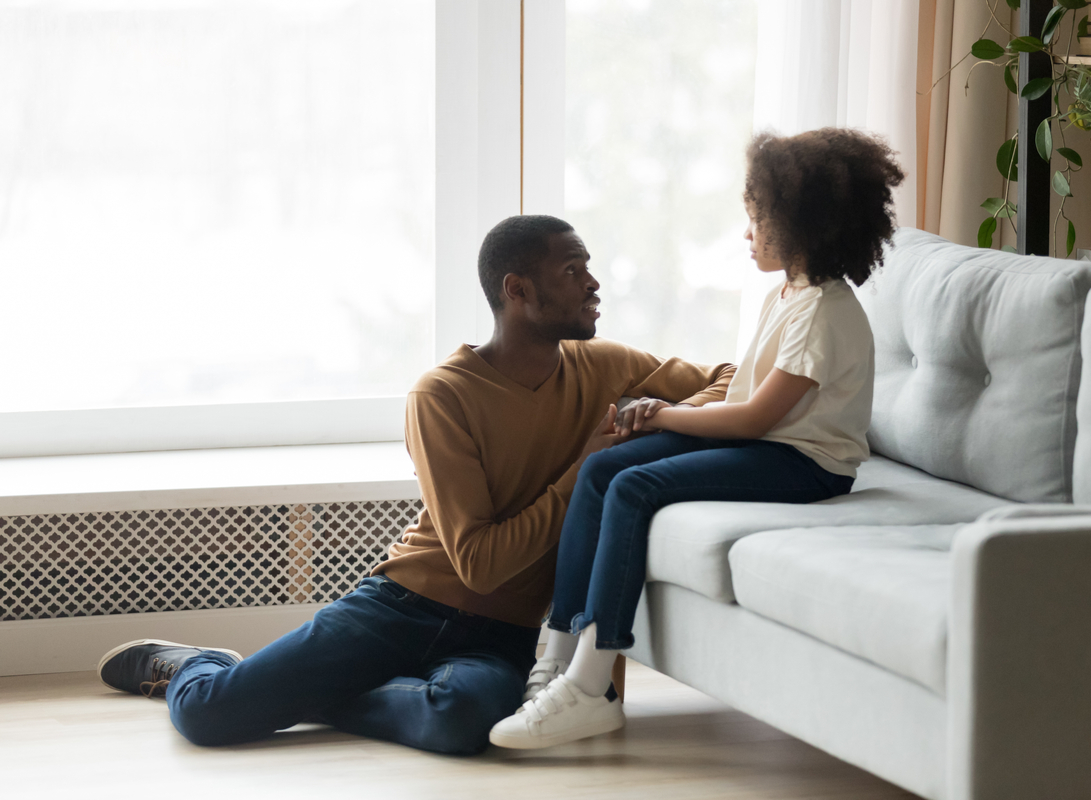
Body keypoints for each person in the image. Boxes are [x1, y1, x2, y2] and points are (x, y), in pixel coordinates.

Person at [95, 214, 737, 755]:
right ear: (518, 289)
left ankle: (316, 696)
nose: (594, 284)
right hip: (400, 609)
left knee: (469, 721)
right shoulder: (443, 396)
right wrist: (588, 467)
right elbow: (481, 565)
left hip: (503, 635)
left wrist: (654, 418)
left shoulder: (608, 366)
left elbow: (734, 378)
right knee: (207, 716)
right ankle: (190, 664)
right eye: (573, 270)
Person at [488, 128, 905, 750]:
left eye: (756, 220)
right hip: (769, 446)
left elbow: (753, 422)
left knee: (633, 485)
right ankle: (555, 660)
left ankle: (589, 685)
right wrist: (659, 416)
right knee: (605, 468)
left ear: (801, 224)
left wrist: (662, 414)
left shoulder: (823, 313)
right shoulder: (788, 294)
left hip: (808, 463)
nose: (748, 235)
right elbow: (743, 410)